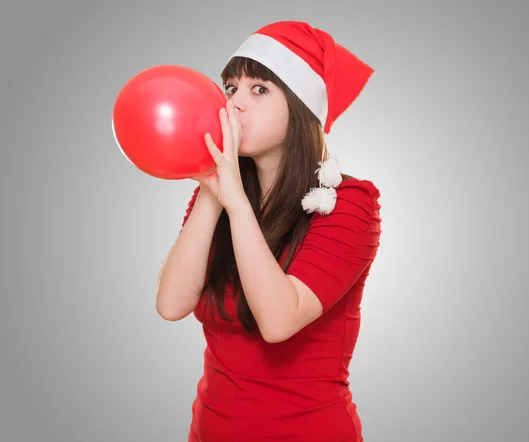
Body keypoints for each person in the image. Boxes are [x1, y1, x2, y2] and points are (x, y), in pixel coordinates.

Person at [156, 20, 383, 442]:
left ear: (300, 108)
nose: (234, 105)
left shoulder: (350, 203)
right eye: (230, 88)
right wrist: (212, 190)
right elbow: (171, 304)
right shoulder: (218, 195)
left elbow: (278, 321)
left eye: (259, 89)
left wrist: (235, 202)